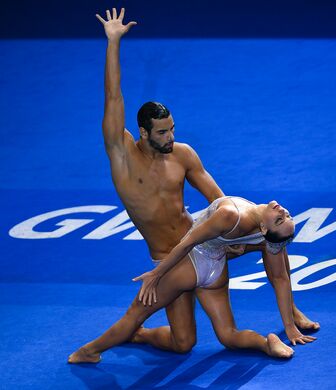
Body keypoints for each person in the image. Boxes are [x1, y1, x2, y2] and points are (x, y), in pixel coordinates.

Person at [72, 6, 318, 357]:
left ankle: (290, 311)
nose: (171, 136)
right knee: (183, 343)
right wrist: (113, 42)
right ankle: (137, 336)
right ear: (143, 133)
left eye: (172, 128)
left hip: (203, 242)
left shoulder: (183, 154)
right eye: (162, 132)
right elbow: (113, 95)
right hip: (167, 259)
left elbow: (220, 200)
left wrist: (230, 233)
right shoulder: (121, 154)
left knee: (272, 238)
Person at [68, 196, 305, 362]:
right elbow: (280, 277)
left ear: (264, 228)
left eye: (281, 220)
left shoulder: (230, 214)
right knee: (229, 335)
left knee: (136, 313)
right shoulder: (266, 235)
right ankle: (265, 343)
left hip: (190, 264)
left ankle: (89, 351)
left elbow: (188, 242)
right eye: (286, 216)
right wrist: (289, 327)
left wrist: (156, 273)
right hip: (216, 270)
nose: (283, 212)